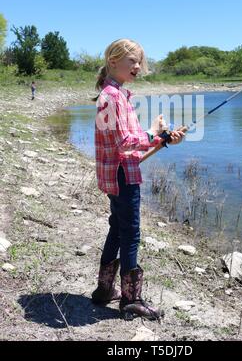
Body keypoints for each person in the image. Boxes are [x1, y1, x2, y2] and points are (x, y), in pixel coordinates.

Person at [92, 39, 185, 321]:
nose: (137, 66)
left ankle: (104, 291)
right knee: (130, 234)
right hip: (123, 175)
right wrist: (156, 134)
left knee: (117, 229)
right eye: (131, 61)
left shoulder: (116, 94)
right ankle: (131, 301)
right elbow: (125, 143)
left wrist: (160, 137)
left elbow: (129, 142)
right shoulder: (112, 96)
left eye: (139, 62)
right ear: (113, 61)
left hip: (117, 172)